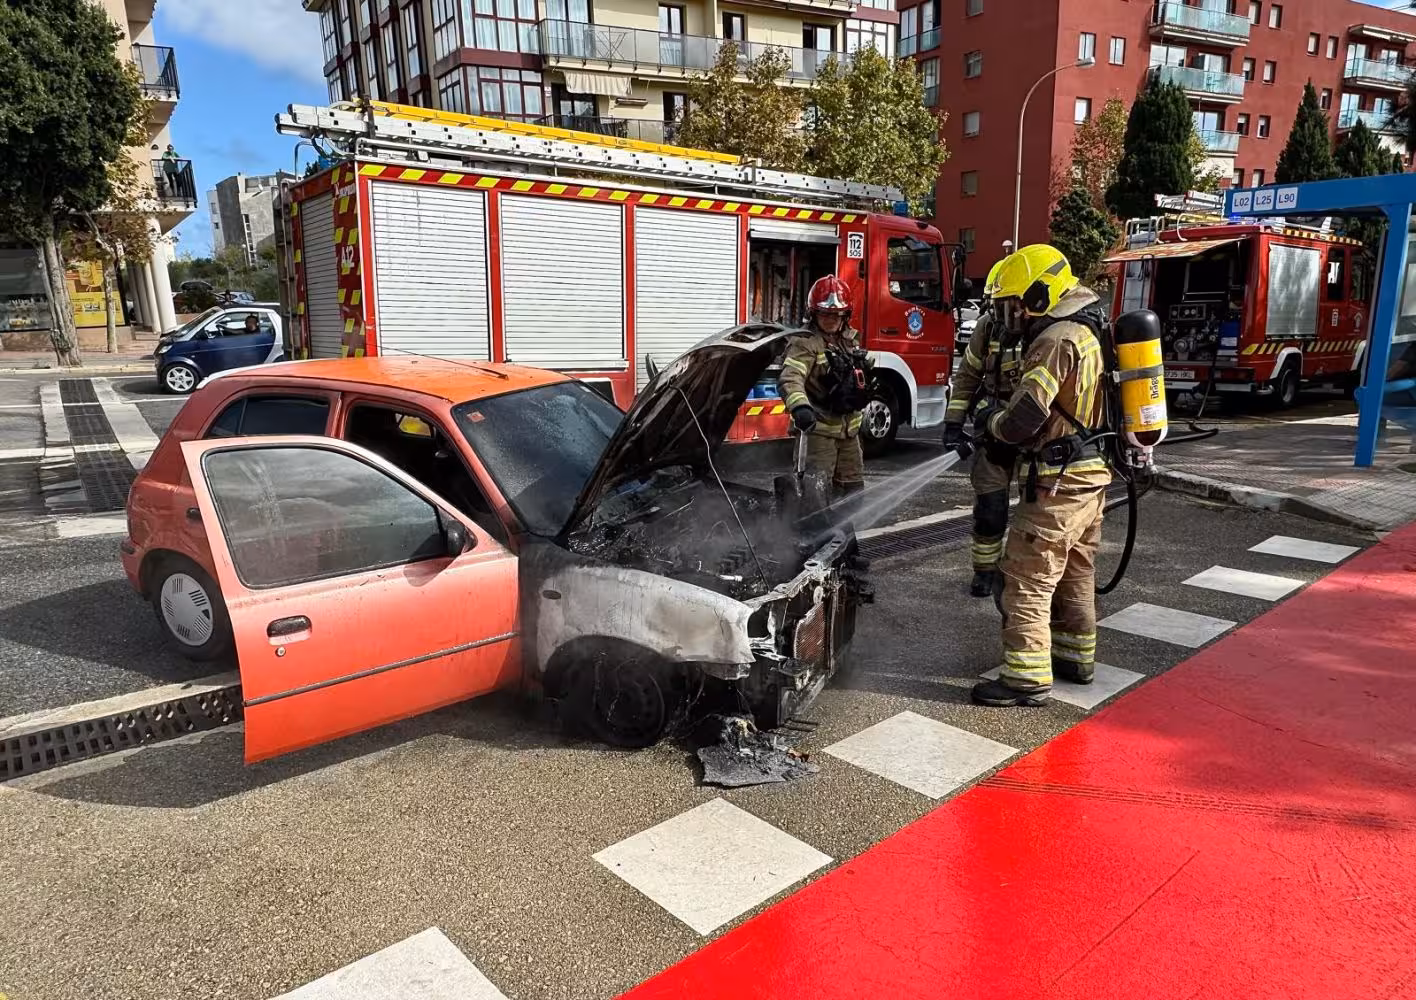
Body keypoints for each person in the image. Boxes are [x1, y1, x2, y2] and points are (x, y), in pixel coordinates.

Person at [969, 244, 1112, 708]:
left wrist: (990, 421)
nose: (1011, 317)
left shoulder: (1054, 340)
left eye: (1014, 305)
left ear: (1040, 293)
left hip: (1056, 480)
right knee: (1075, 572)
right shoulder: (1090, 330)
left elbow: (1023, 417)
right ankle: (1076, 659)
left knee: (1026, 575)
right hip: (1091, 473)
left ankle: (1025, 678)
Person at [943, 257, 1023, 597]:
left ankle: (1023, 574)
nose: (1007, 311)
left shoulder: (1048, 328)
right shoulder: (988, 327)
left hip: (1035, 436)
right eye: (1000, 304)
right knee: (990, 509)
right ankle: (985, 571)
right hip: (992, 432)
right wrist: (953, 422)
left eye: (1011, 303)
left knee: (1037, 515)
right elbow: (967, 377)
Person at [778, 275, 874, 511]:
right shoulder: (805, 343)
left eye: (837, 315)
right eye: (825, 314)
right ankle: (813, 542)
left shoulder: (849, 341)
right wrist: (800, 407)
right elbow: (791, 378)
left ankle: (841, 539)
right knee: (815, 498)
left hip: (849, 434)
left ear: (846, 315)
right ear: (814, 314)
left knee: (852, 492)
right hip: (819, 433)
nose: (831, 320)